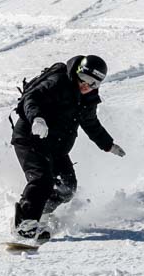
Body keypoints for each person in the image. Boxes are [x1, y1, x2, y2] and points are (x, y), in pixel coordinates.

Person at [9, 54, 124, 241]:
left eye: (94, 83)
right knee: (42, 180)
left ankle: (41, 216)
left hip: (55, 147)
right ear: (78, 73)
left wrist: (108, 145)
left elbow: (91, 123)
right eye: (85, 79)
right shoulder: (58, 82)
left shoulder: (89, 97)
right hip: (30, 138)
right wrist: (37, 118)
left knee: (67, 188)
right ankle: (24, 224)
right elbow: (32, 98)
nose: (87, 86)